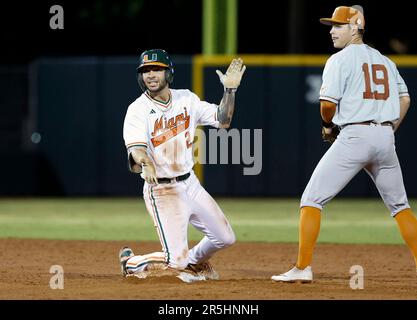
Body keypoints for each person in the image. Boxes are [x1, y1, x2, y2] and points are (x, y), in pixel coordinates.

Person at [272, 5, 417, 283]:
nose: (332, 30)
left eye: (338, 25)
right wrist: (387, 130)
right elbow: (406, 99)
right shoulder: (386, 61)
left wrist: (328, 126)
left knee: (311, 200)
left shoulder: (339, 60)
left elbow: (327, 105)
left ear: (356, 26)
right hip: (385, 136)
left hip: (355, 136)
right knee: (400, 207)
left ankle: (302, 267)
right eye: (332, 25)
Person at [119, 49, 246, 281]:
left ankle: (195, 262)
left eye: (157, 69)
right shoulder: (136, 110)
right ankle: (132, 263)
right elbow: (136, 149)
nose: (151, 74)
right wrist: (145, 163)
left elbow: (223, 120)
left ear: (169, 73)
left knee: (225, 237)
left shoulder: (186, 98)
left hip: (190, 184)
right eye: (145, 70)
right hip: (163, 190)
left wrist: (230, 90)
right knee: (175, 261)